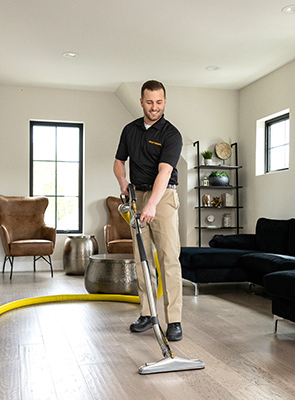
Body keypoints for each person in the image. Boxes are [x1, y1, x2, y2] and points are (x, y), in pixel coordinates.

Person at [113, 80, 184, 341]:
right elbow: (119, 162)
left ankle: (173, 320)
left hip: (163, 197)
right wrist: (123, 182)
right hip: (136, 196)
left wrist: (152, 204)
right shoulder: (129, 130)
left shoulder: (171, 134)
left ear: (164, 102)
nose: (154, 107)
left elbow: (165, 172)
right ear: (141, 102)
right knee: (142, 259)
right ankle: (147, 314)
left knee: (168, 259)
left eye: (159, 102)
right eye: (149, 102)